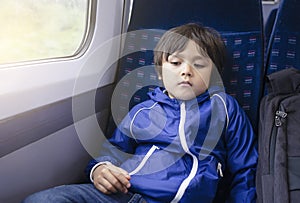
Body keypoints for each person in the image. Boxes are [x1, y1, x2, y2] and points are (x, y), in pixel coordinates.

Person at [22, 23, 258, 203]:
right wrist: (100, 169)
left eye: (198, 64)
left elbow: (245, 169)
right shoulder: (143, 110)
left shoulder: (224, 108)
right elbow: (113, 150)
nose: (186, 71)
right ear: (159, 73)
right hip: (125, 194)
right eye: (176, 63)